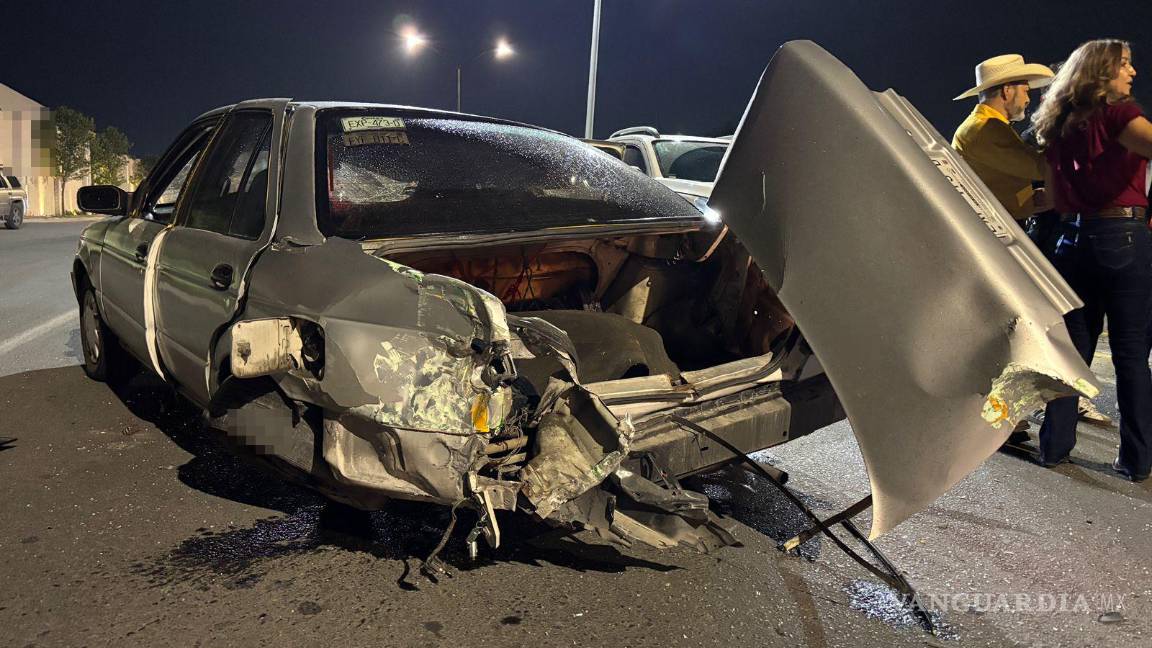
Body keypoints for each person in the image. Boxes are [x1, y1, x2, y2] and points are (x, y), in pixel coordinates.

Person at [1030, 39, 1152, 481]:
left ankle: (1053, 449)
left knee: (1073, 352)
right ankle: (1136, 460)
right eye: (1125, 64)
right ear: (1102, 71)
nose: (1132, 72)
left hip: (1072, 241)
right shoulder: (1119, 114)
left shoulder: (1057, 122)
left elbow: (1054, 198)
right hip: (1121, 234)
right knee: (1131, 355)